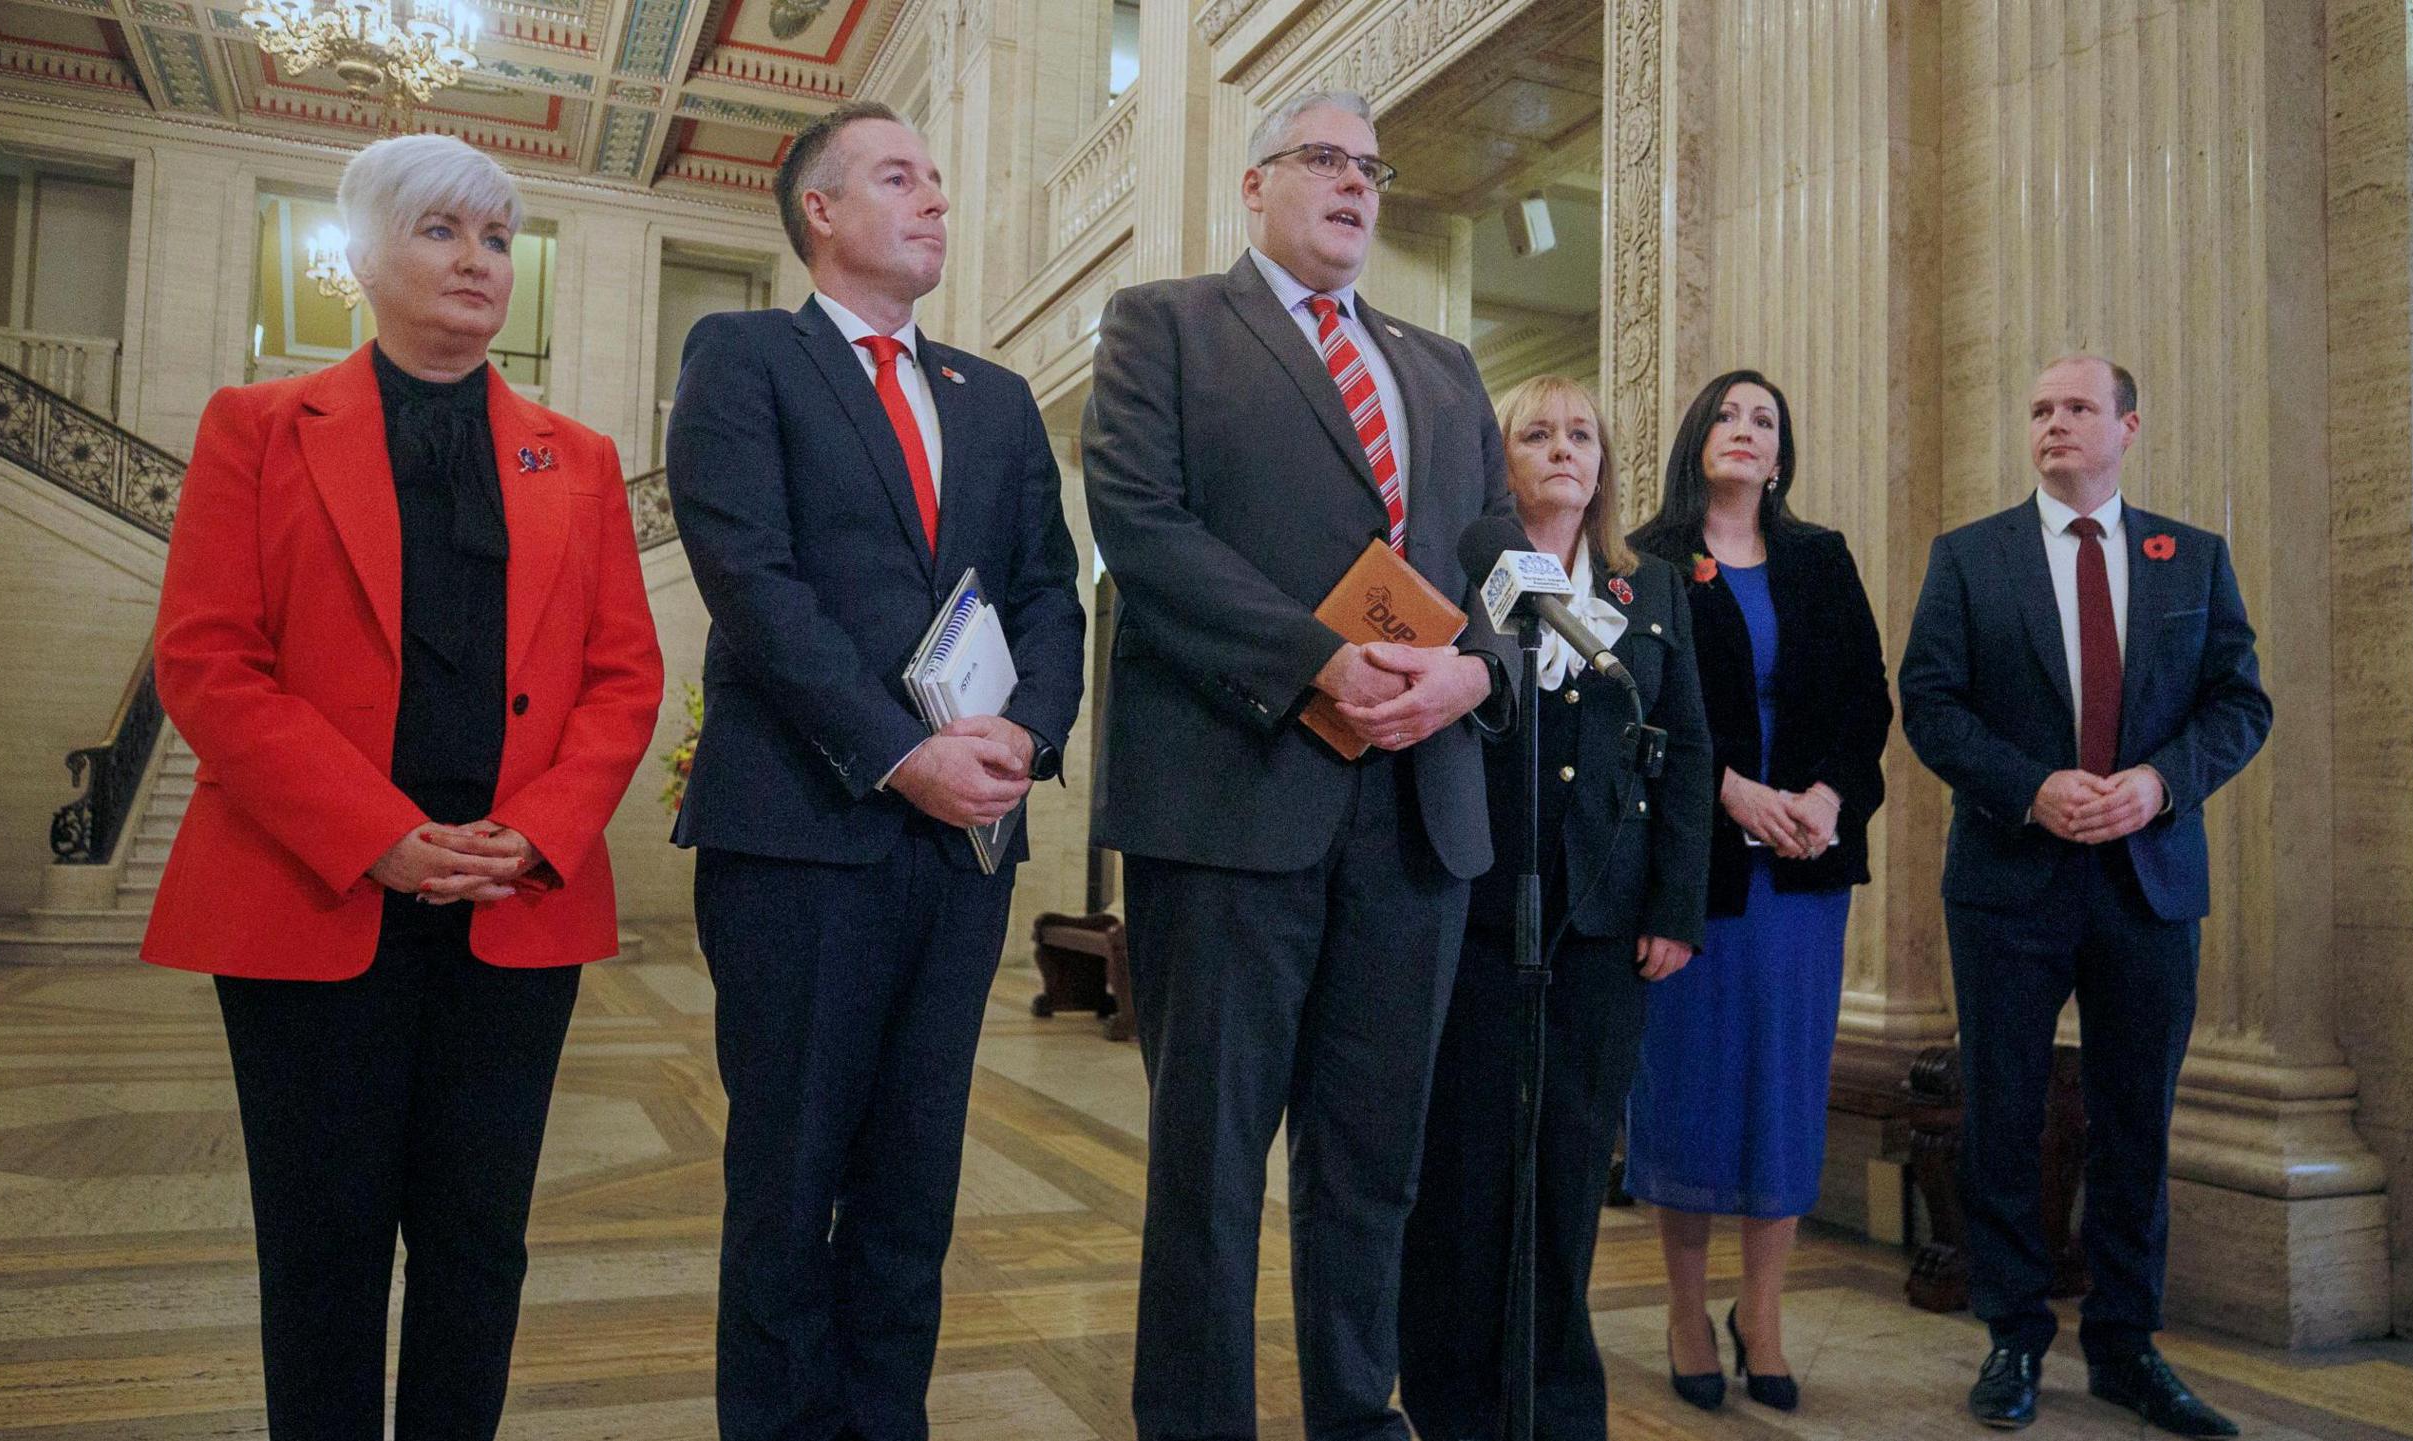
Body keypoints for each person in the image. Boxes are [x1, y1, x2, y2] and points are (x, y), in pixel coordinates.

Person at [143, 133, 663, 1439]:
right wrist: (375, 833)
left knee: (481, 1246)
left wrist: (533, 833)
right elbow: (208, 658)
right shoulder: (256, 428)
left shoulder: (580, 459)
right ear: (361, 258)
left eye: (498, 238)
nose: (478, 261)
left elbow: (624, 677)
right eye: (441, 231)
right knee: (322, 1252)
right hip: (312, 896)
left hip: (512, 900)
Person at [1083, 89, 1517, 1441]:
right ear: (1258, 184)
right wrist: (1317, 660)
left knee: (1372, 1163)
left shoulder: (1442, 365)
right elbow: (1141, 531)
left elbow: (1509, 562)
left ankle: (1355, 1414)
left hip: (1415, 815)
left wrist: (1475, 670)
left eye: (1373, 167)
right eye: (1326, 160)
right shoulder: (1165, 325)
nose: (1358, 184)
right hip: (1232, 799)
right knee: (1210, 1168)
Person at [664, 101, 1086, 1441]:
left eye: (941, 182)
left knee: (913, 1185)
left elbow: (1048, 597)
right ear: (821, 214)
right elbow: (753, 581)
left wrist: (1028, 729)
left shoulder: (1001, 398)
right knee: (790, 1185)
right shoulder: (743, 358)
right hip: (802, 832)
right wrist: (901, 751)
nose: (936, 202)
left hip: (962, 848)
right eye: (900, 178)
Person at [1900, 355, 2270, 1437]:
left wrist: (2158, 783)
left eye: (2075, 407)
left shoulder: (2189, 557)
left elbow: (2238, 703)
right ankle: (2012, 1334)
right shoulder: (1970, 557)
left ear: (2128, 427)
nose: (2053, 424)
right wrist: (2029, 788)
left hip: (2147, 882)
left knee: (2133, 1122)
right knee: (2003, 1115)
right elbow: (1928, 703)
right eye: (2038, 411)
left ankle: (2125, 1344)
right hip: (2009, 879)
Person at [1395, 374, 1712, 1441]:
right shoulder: (1454, 579)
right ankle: (1453, 1402)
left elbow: (1687, 751)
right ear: (1499, 459)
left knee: (1571, 1168)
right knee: (1466, 1170)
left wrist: (1673, 905)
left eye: (1581, 434)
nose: (1563, 449)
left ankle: (1558, 1407)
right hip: (1477, 915)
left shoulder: (1649, 589)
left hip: (1601, 927)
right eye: (1536, 433)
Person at [1626, 369, 1892, 1414]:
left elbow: (1866, 698)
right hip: (1698, 864)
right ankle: (1688, 1309)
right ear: (1698, 440)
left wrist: (1825, 794)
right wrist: (1728, 789)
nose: (1745, 431)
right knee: (1689, 1087)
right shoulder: (1645, 561)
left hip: (1802, 865)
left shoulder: (1819, 559)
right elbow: (1630, 711)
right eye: (1728, 415)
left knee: (1782, 1090)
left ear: (1781, 456)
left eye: (1765, 420)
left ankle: (1764, 1314)